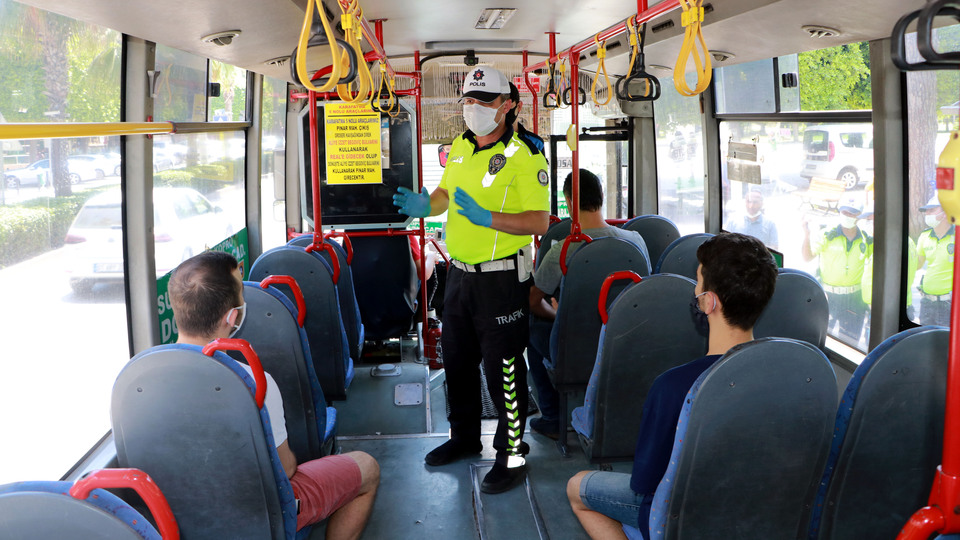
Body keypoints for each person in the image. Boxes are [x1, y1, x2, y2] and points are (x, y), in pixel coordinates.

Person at [393, 66, 550, 493]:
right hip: (459, 275)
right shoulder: (460, 146)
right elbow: (445, 193)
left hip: (502, 280)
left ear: (509, 104)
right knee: (457, 362)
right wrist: (426, 204)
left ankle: (512, 454)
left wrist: (489, 218)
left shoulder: (528, 153)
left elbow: (540, 218)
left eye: (484, 101)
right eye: (468, 100)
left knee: (504, 371)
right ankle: (463, 438)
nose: (473, 109)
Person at [566, 233, 777, 540]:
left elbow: (644, 483)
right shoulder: (787, 374)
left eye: (698, 282)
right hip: (755, 513)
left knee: (577, 488)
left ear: (709, 302)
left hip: (681, 518)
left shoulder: (674, 386)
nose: (695, 290)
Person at [168, 251, 379, 538]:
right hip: (257, 512)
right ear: (233, 316)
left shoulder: (140, 380)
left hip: (181, 514)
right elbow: (285, 469)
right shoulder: (253, 381)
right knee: (367, 467)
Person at [527, 168, 649, 439]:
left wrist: (560, 315)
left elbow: (534, 302)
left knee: (532, 328)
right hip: (624, 344)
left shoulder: (564, 248)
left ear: (569, 202)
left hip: (575, 349)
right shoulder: (636, 242)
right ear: (602, 197)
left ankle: (551, 417)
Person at [802, 196, 872, 343]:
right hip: (829, 297)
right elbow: (807, 257)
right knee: (820, 340)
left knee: (851, 341)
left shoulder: (866, 239)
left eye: (852, 213)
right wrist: (806, 235)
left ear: (859, 216)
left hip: (855, 299)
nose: (848, 216)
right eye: (845, 212)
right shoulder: (827, 235)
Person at [917, 196, 955, 326]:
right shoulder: (924, 236)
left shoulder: (957, 237)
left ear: (944, 213)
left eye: (931, 210)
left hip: (948, 304)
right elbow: (917, 264)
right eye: (926, 211)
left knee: (944, 345)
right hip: (926, 303)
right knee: (924, 341)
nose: (927, 214)